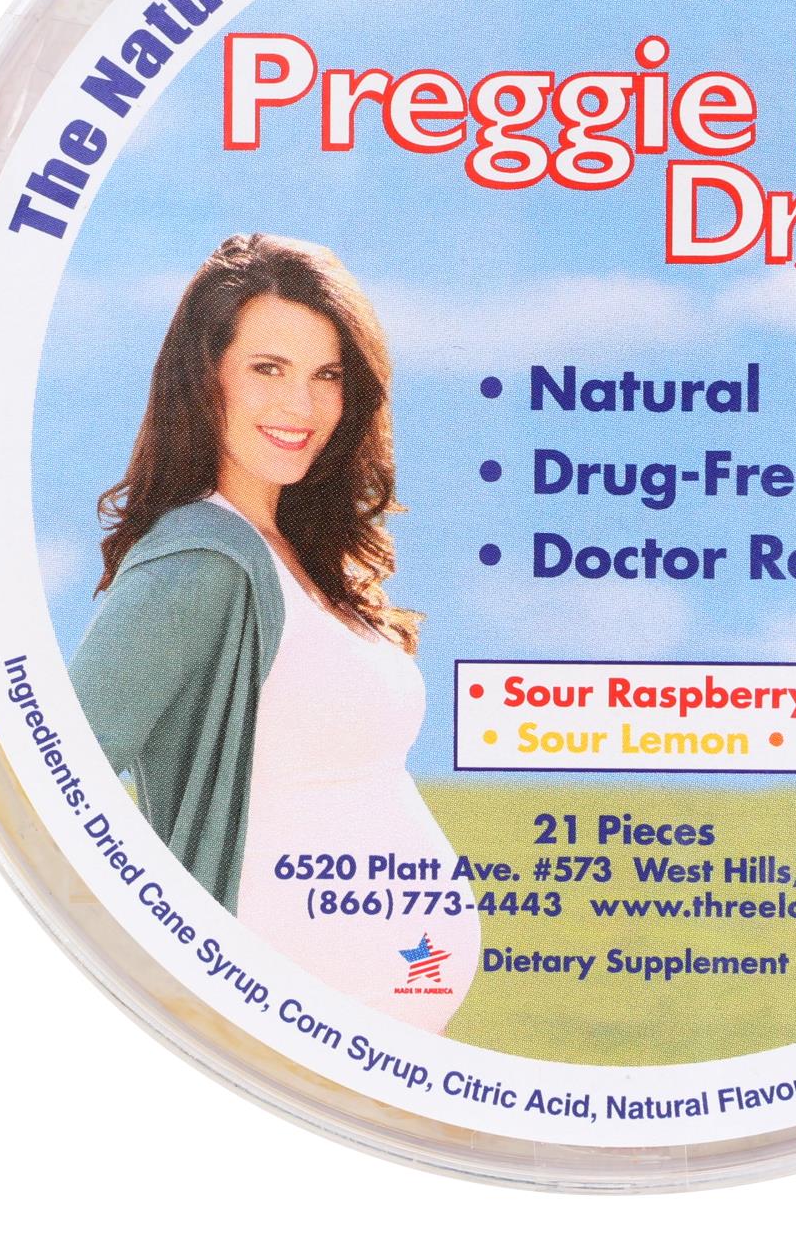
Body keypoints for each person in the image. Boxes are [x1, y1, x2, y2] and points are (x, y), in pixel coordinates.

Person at [69, 233, 477, 1029]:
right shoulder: (201, 563)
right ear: (204, 376)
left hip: (369, 1034)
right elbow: (47, 780)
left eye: (327, 375)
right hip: (267, 1030)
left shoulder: (304, 555)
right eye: (268, 369)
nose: (302, 406)